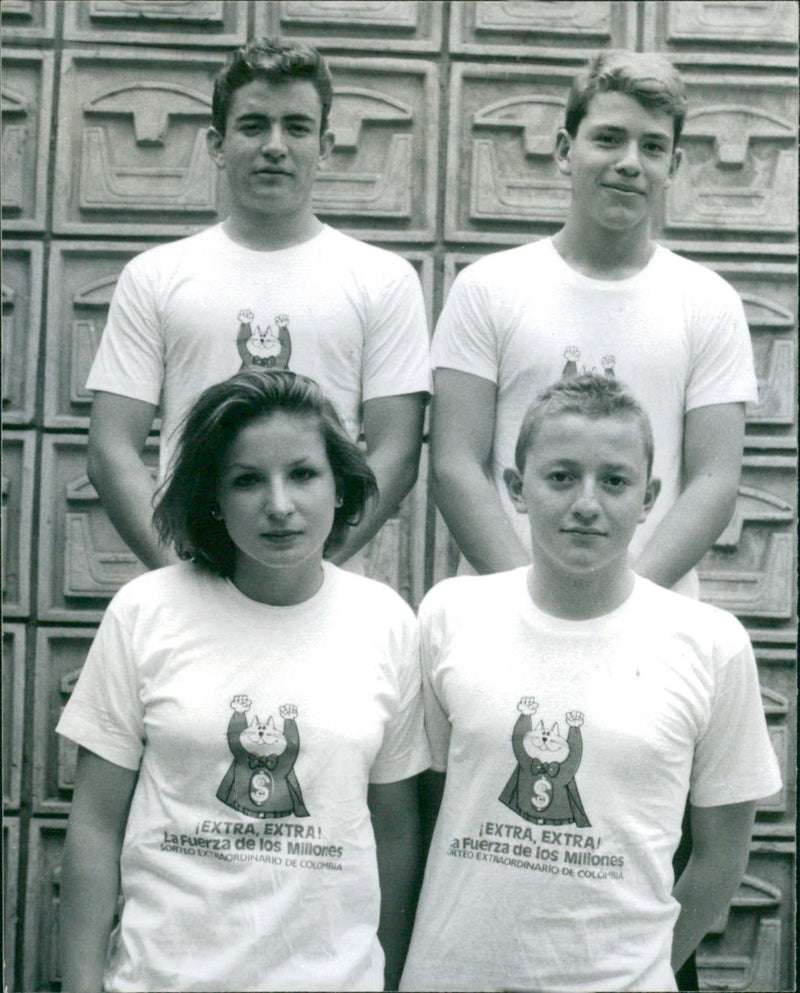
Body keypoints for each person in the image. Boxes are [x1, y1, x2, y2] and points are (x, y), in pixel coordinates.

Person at [401, 373, 780, 993]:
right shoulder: (450, 614)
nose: (586, 502)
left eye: (614, 480)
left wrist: (646, 968)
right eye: (560, 476)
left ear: (649, 496)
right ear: (516, 489)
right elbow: (422, 807)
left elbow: (721, 857)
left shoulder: (711, 643)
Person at [58, 370, 430, 992]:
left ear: (341, 487)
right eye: (247, 480)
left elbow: (394, 828)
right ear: (213, 497)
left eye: (304, 474)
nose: (279, 505)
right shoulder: (146, 611)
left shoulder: (387, 622)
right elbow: (96, 821)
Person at [86, 37, 429, 571]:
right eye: (253, 126)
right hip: (190, 582)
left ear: (326, 145)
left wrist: (305, 572)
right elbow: (112, 448)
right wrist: (183, 573)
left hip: (325, 591)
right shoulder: (155, 276)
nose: (275, 145)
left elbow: (397, 453)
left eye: (296, 127)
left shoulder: (383, 279)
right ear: (217, 144)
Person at [430, 50, 755, 596]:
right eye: (608, 138)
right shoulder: (489, 288)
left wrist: (624, 608)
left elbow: (714, 481)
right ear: (564, 149)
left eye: (652, 147)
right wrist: (526, 600)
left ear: (673, 166)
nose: (630, 161)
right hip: (505, 605)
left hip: (651, 614)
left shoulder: (708, 301)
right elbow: (455, 464)